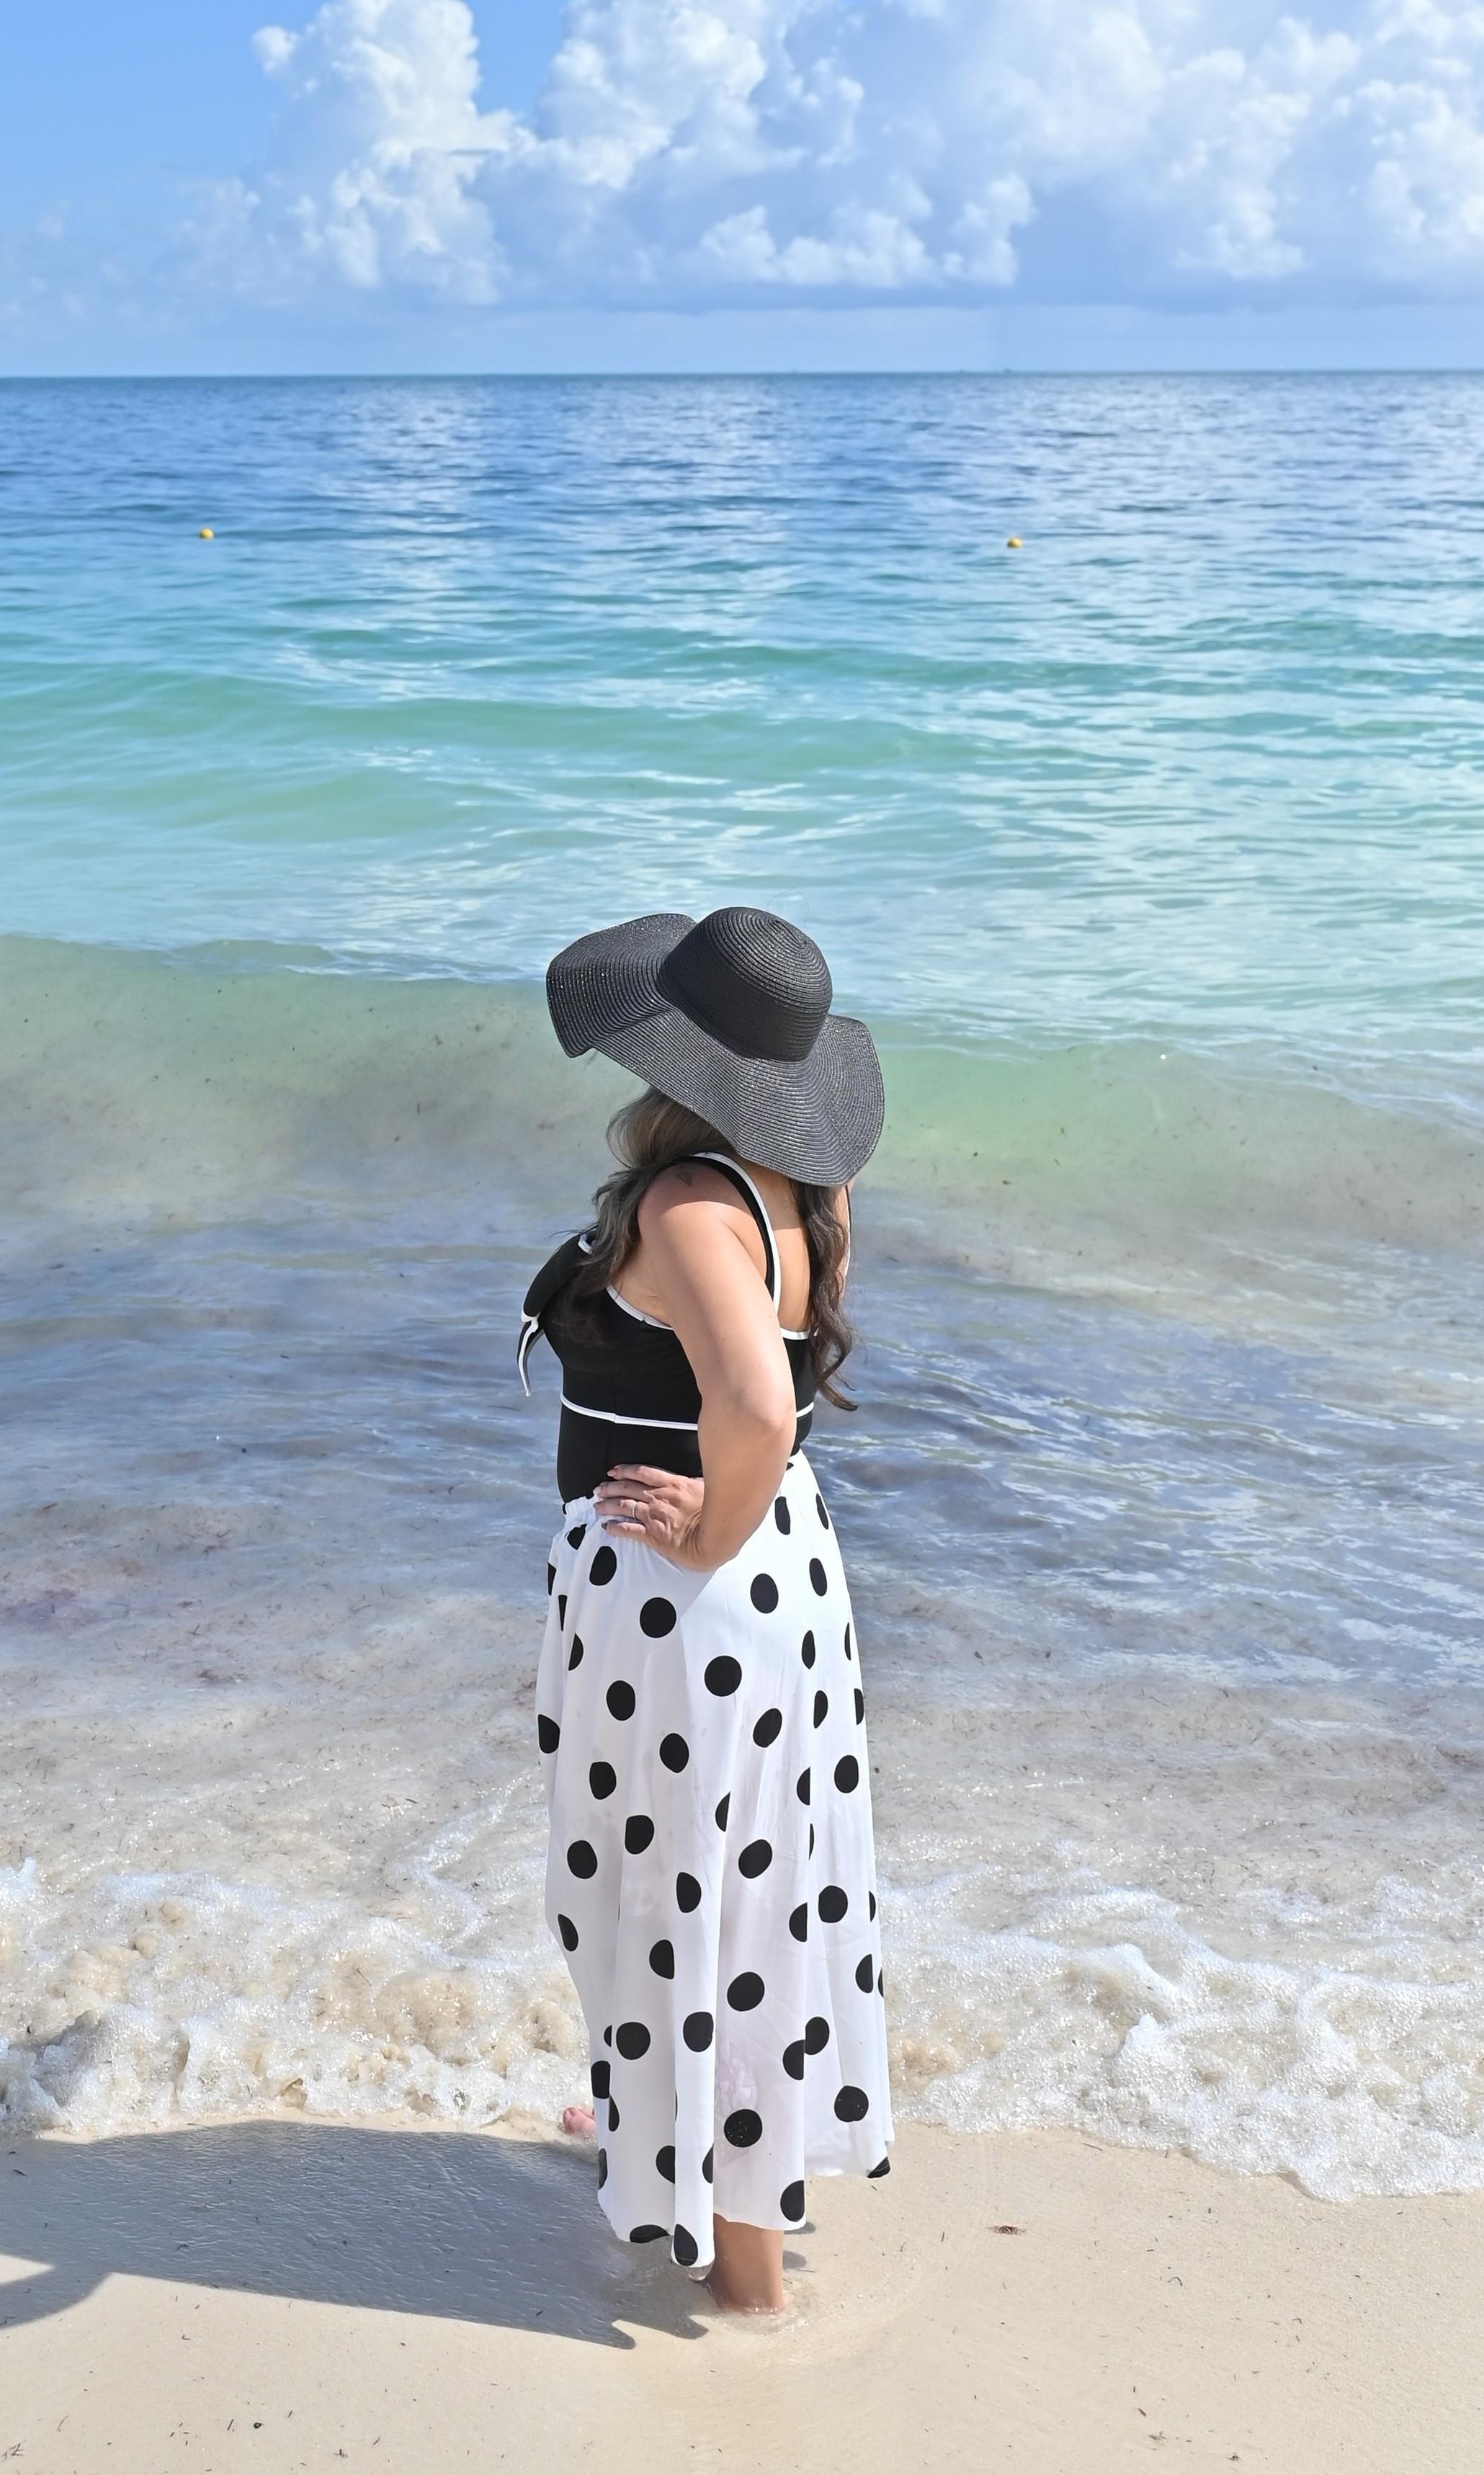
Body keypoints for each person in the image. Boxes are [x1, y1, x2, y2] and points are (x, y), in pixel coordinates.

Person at [519, 906, 891, 2317]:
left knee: (693, 1905)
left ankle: (742, 2277)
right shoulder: (800, 1189)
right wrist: (741, 1522)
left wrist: (707, 1529)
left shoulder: (685, 1206)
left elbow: (740, 1404)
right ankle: (664, 2147)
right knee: (750, 1891)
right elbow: (770, 1402)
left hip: (688, 1599)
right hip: (776, 1579)